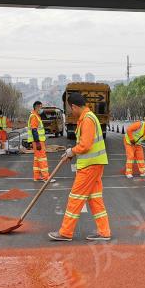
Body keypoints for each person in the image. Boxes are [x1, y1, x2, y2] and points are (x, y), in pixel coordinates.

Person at [49, 92, 110, 242]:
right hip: (94, 164)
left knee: (75, 198)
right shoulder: (87, 118)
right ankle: (104, 231)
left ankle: (65, 232)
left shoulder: (88, 120)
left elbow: (86, 145)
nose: (71, 112)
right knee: (95, 198)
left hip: (90, 166)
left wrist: (72, 151)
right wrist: (72, 153)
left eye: (71, 108)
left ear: (75, 106)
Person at [27, 101, 50, 181]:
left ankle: (36, 176)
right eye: (41, 107)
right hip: (38, 141)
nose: (41, 109)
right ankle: (46, 177)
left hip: (38, 141)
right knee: (42, 158)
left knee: (37, 159)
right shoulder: (34, 116)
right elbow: (34, 130)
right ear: (36, 107)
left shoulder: (36, 116)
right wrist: (37, 142)